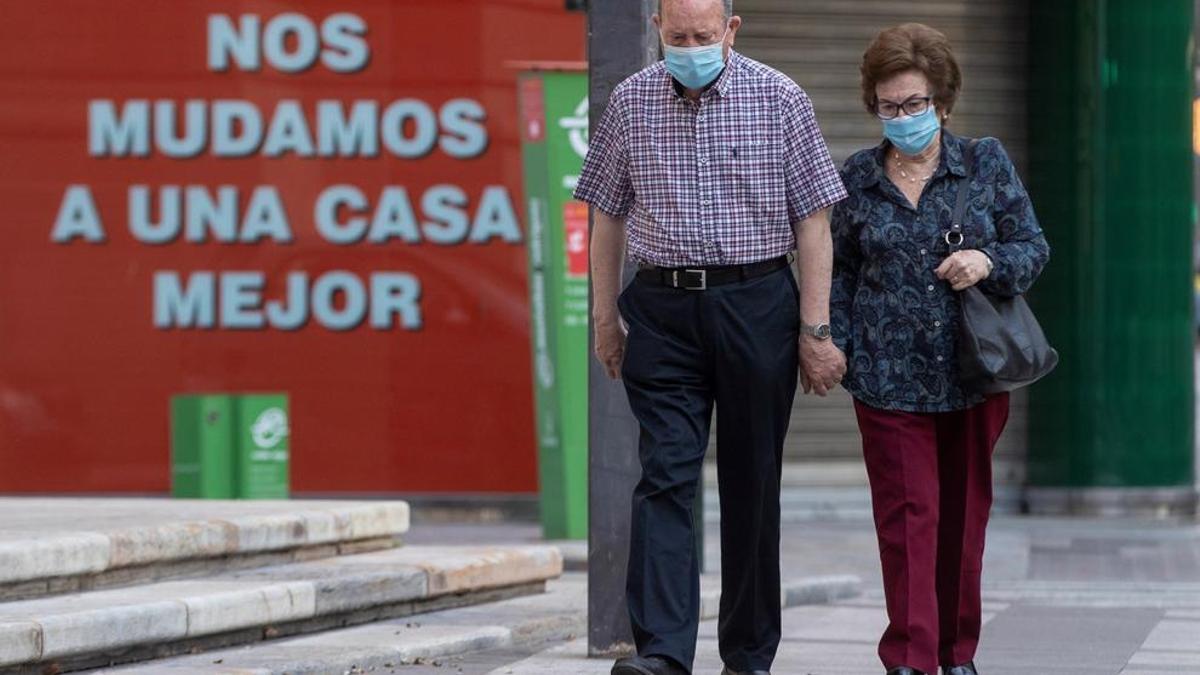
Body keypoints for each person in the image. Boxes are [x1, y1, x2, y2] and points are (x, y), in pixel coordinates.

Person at [574, 0, 848, 673]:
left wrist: (816, 328)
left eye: (702, 35)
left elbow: (814, 222)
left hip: (756, 301)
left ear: (732, 31)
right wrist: (605, 317)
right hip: (663, 309)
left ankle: (748, 653)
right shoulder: (631, 100)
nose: (689, 46)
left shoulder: (781, 97)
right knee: (664, 475)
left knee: (753, 479)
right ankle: (663, 652)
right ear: (657, 32)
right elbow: (606, 214)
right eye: (676, 36)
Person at [830, 23, 1050, 675]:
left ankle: (957, 654)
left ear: (943, 103)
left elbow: (1033, 246)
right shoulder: (858, 180)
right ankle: (910, 657)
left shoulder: (984, 163)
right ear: (874, 105)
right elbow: (838, 271)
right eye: (890, 105)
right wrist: (834, 345)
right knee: (908, 518)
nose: (902, 117)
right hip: (885, 379)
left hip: (972, 375)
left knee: (962, 520)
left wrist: (987, 259)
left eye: (915, 104)